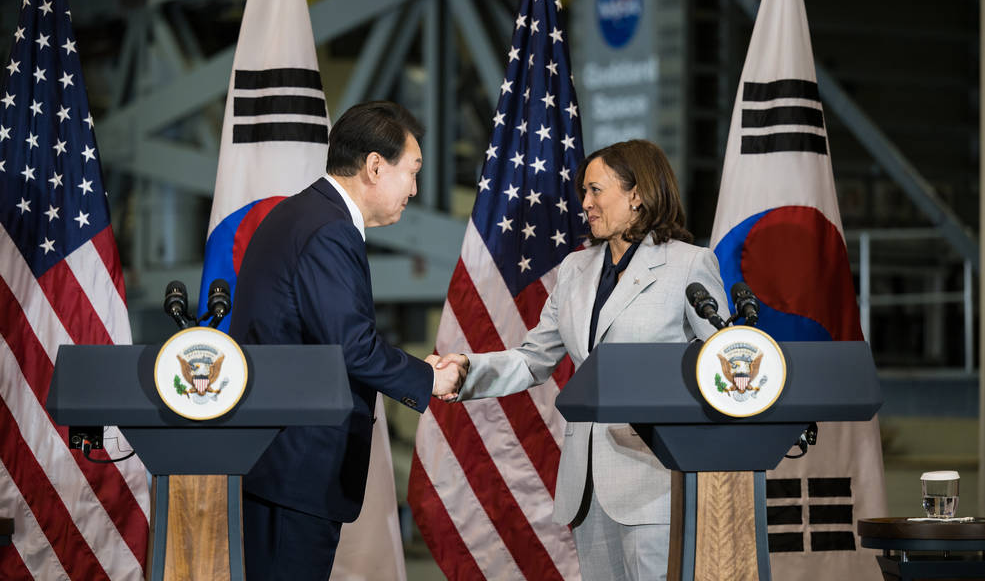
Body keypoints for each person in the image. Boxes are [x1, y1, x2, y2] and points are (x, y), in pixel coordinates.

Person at [432, 139, 729, 580]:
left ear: (637, 194)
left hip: (656, 485)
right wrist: (464, 370)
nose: (584, 204)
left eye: (595, 191)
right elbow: (533, 358)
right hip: (586, 488)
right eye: (583, 193)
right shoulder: (575, 269)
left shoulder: (689, 265)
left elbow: (722, 366)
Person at [229, 100, 465, 580]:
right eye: (412, 172)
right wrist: (430, 379)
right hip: (294, 470)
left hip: (277, 465)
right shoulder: (330, 229)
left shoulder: (303, 214)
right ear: (375, 166)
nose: (415, 189)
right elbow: (352, 347)